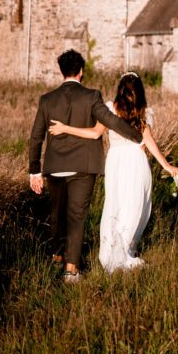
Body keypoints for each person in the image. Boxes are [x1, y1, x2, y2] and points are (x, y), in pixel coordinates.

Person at [28, 49, 143, 283]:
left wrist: (34, 171)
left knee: (56, 214)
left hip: (55, 166)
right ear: (81, 71)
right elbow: (110, 120)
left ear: (62, 71)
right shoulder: (92, 96)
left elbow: (36, 137)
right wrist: (136, 136)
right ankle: (71, 270)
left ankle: (57, 256)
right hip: (84, 166)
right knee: (77, 216)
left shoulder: (46, 100)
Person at [49, 71, 178, 273]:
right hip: (136, 161)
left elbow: (94, 133)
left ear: (120, 89)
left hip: (117, 161)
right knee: (132, 206)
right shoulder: (142, 110)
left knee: (116, 205)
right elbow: (149, 143)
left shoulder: (111, 109)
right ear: (139, 91)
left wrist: (65, 128)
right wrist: (166, 165)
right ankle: (122, 250)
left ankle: (118, 250)